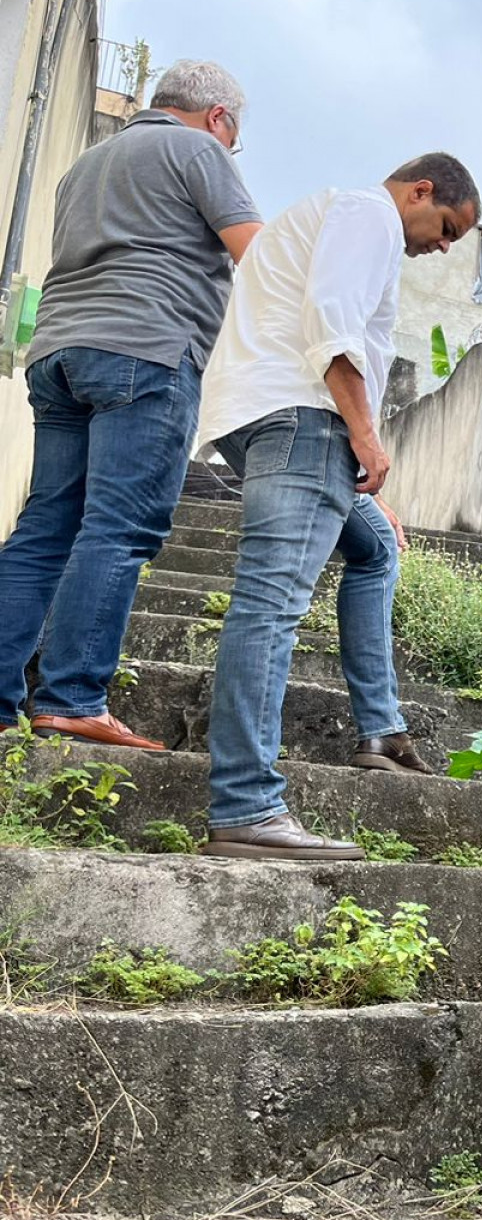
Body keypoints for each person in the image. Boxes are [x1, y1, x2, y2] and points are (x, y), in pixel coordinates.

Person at [198, 154, 480, 861]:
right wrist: (363, 433)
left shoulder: (325, 214)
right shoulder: (367, 215)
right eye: (447, 226)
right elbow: (331, 320)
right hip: (304, 420)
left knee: (376, 547)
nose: (443, 246)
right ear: (421, 192)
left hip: (265, 415)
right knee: (269, 603)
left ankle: (381, 730)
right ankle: (246, 804)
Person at [0, 60, 261, 748]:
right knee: (119, 527)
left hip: (59, 352)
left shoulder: (86, 165)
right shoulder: (199, 150)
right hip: (144, 350)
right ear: (219, 119)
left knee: (46, 526)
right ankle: (71, 698)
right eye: (235, 138)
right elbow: (257, 258)